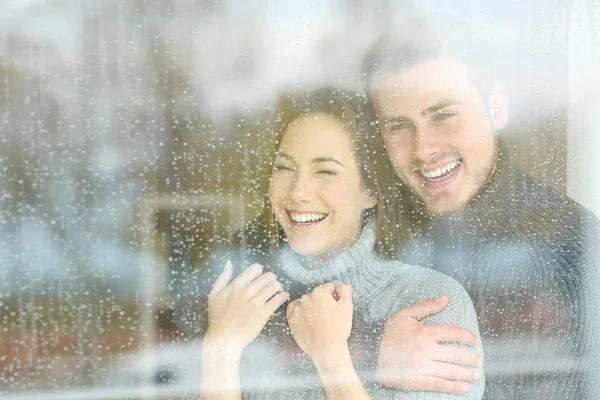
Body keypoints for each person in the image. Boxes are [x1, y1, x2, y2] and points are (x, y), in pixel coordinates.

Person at [175, 87, 484, 399]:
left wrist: (333, 358)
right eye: (284, 168)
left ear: (370, 190)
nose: (298, 192)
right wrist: (219, 353)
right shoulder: (240, 303)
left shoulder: (427, 301)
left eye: (325, 171)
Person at [360, 15, 600, 399]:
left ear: (497, 107)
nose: (423, 148)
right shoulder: (360, 223)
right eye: (398, 126)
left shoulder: (575, 247)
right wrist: (370, 350)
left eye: (444, 115)